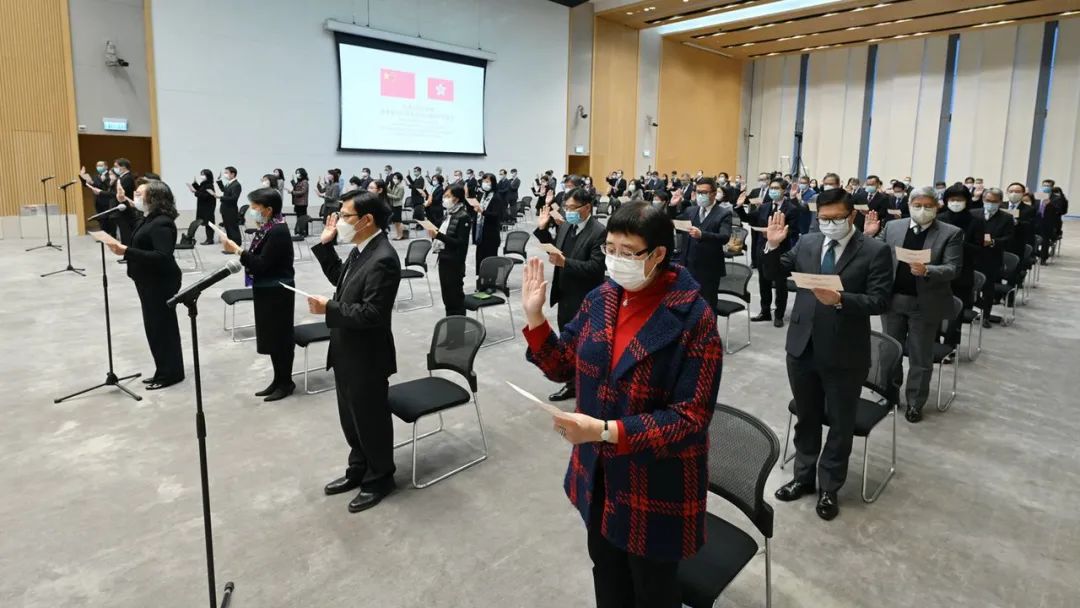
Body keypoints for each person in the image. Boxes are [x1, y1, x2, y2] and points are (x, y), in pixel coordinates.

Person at [520, 201, 723, 607]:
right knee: (607, 572)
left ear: (658, 254)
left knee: (652, 588)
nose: (615, 261)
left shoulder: (693, 318)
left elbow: (691, 417)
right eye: (610, 249)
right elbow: (563, 365)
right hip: (599, 475)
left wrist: (606, 431)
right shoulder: (602, 299)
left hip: (654, 481)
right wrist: (536, 319)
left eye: (627, 253)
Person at [764, 187, 892, 520]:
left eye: (836, 218)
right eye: (824, 218)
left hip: (845, 351)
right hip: (802, 346)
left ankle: (829, 487)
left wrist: (840, 300)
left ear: (852, 216)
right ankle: (803, 477)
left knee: (839, 422)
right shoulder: (807, 242)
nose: (830, 224)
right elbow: (777, 273)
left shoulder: (874, 250)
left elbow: (880, 300)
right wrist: (774, 246)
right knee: (807, 417)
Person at [309, 191, 401, 513]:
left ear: (367, 220)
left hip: (367, 356)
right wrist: (325, 246)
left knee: (370, 420)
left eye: (345, 216)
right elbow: (342, 280)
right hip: (346, 349)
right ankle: (358, 468)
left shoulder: (383, 258)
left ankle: (380, 477)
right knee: (351, 418)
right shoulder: (360, 250)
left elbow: (373, 313)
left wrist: (329, 309)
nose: (340, 222)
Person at [863, 187, 963, 423]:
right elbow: (874, 253)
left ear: (937, 207)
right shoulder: (893, 227)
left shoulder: (950, 233)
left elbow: (953, 268)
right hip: (893, 300)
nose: (922, 210)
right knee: (890, 351)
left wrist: (928, 270)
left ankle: (915, 402)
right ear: (909, 205)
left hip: (925, 303)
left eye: (928, 206)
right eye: (917, 205)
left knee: (920, 355)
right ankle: (888, 394)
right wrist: (869, 235)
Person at [104, 180, 184, 390]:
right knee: (155, 328)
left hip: (160, 282)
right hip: (148, 281)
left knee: (162, 329)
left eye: (139, 194)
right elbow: (134, 227)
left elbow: (162, 256)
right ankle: (163, 370)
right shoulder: (149, 218)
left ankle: (170, 374)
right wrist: (122, 202)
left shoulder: (162, 223)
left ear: (154, 197)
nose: (136, 197)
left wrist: (126, 251)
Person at [532, 187, 607, 402]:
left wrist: (566, 262)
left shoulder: (599, 232)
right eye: (566, 207)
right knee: (566, 341)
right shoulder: (566, 226)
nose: (569, 212)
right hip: (564, 292)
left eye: (573, 208)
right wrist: (542, 230)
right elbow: (555, 250)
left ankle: (586, 385)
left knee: (584, 344)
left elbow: (596, 268)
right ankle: (572, 382)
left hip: (585, 296)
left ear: (587, 207)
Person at [221, 188, 296, 402]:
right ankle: (278, 379)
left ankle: (286, 382)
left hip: (278, 290)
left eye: (255, 208)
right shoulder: (269, 226)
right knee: (271, 337)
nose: (252, 211)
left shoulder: (278, 230)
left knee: (280, 338)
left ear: (268, 209)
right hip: (266, 288)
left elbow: (262, 264)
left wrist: (238, 250)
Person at [742, 177, 799, 327]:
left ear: (784, 190)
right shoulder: (764, 206)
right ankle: (765, 311)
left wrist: (779, 234)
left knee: (780, 284)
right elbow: (749, 219)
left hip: (781, 250)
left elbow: (794, 230)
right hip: (763, 248)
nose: (773, 191)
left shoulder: (791, 208)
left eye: (776, 188)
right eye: (771, 188)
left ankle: (779, 314)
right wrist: (739, 207)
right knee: (764, 281)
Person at [938, 184, 985, 349]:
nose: (955, 203)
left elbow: (979, 249)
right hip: (940, 271)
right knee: (935, 311)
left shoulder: (975, 222)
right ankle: (933, 344)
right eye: (952, 199)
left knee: (955, 313)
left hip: (962, 273)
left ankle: (951, 347)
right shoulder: (940, 218)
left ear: (966, 201)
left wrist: (958, 243)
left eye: (959, 199)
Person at [675, 177, 732, 311]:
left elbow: (724, 237)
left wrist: (702, 235)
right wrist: (673, 206)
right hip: (688, 265)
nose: (700, 195)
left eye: (704, 192)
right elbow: (676, 224)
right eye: (698, 192)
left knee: (707, 305)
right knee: (687, 304)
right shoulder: (691, 210)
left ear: (714, 193)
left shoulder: (723, 213)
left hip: (709, 267)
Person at [427, 184, 472, 322]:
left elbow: (460, 243)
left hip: (455, 262)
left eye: (448, 196)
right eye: (444, 196)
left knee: (455, 297)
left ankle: (458, 326)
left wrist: (439, 236)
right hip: (444, 258)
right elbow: (436, 225)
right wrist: (427, 209)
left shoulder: (463, 216)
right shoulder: (448, 214)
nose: (444, 199)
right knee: (447, 296)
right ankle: (450, 324)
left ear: (456, 198)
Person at [975, 188, 1013, 329]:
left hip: (992, 258)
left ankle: (986, 315)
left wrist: (993, 242)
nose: (990, 204)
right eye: (988, 200)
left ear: (1000, 202)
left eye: (994, 201)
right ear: (983, 200)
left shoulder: (1006, 218)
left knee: (988, 289)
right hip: (973, 256)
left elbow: (1009, 237)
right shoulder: (974, 214)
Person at [469, 172, 507, 280]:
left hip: (491, 233)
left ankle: (491, 281)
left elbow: (497, 215)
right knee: (480, 257)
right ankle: (481, 279)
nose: (484, 183)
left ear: (493, 183)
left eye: (487, 181)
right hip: (481, 233)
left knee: (490, 258)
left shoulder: (496, 197)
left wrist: (483, 211)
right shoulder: (482, 195)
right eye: (483, 181)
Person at [79, 161, 117, 237]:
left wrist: (103, 181)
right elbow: (91, 185)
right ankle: (104, 237)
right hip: (98, 201)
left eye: (101, 165)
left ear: (106, 166)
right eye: (97, 165)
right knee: (101, 220)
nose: (99, 167)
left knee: (110, 221)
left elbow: (110, 187)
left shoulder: (110, 174)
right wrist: (83, 177)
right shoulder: (96, 175)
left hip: (108, 201)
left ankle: (113, 236)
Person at [212, 166, 243, 247]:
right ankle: (231, 245)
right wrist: (219, 180)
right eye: (224, 173)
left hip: (231, 210)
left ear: (232, 174)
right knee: (228, 229)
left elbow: (234, 198)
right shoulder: (229, 183)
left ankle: (236, 245)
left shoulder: (236, 185)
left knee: (232, 229)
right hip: (225, 209)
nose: (225, 174)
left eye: (226, 173)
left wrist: (220, 197)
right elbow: (224, 190)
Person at [111, 158, 138, 246]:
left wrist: (101, 192)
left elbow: (120, 193)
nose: (114, 169)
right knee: (123, 233)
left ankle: (128, 251)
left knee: (126, 233)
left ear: (123, 167)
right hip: (121, 207)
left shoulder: (127, 178)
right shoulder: (121, 177)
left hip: (126, 208)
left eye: (116, 166)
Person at [1005, 182, 1036, 259]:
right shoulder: (1000, 206)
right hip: (1001, 242)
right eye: (1011, 191)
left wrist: (1017, 222)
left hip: (1017, 242)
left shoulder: (1029, 209)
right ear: (1007, 192)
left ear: (1023, 193)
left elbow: (1030, 226)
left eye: (1017, 192)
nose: (1014, 194)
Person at [188, 169, 217, 245]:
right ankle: (209, 239)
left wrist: (195, 192)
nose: (201, 176)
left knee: (209, 223)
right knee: (206, 223)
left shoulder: (209, 185)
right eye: (201, 174)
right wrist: (195, 184)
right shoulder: (204, 183)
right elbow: (201, 190)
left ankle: (210, 239)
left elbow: (205, 196)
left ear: (208, 176)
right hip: (204, 206)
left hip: (208, 207)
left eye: (203, 175)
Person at [1033, 189, 1062, 264]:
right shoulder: (1035, 200)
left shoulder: (1054, 201)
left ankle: (1043, 259)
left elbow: (1058, 213)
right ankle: (1034, 255)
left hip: (1047, 226)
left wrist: (1050, 204)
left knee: (1045, 242)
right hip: (1035, 225)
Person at [289, 168, 310, 233]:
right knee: (299, 218)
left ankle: (304, 232)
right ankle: (300, 231)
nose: (297, 174)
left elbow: (302, 191)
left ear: (302, 173)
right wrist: (292, 181)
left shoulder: (305, 181)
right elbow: (296, 187)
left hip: (302, 203)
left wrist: (292, 192)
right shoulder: (299, 181)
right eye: (296, 173)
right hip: (297, 203)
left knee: (303, 218)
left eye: (298, 173)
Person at [388, 171, 406, 239]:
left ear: (399, 179)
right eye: (393, 178)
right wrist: (388, 188)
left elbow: (398, 197)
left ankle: (400, 235)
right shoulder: (395, 186)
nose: (394, 180)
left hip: (397, 206)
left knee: (398, 222)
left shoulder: (401, 187)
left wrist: (388, 195)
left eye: (395, 178)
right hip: (393, 205)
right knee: (395, 222)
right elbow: (392, 193)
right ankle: (398, 235)